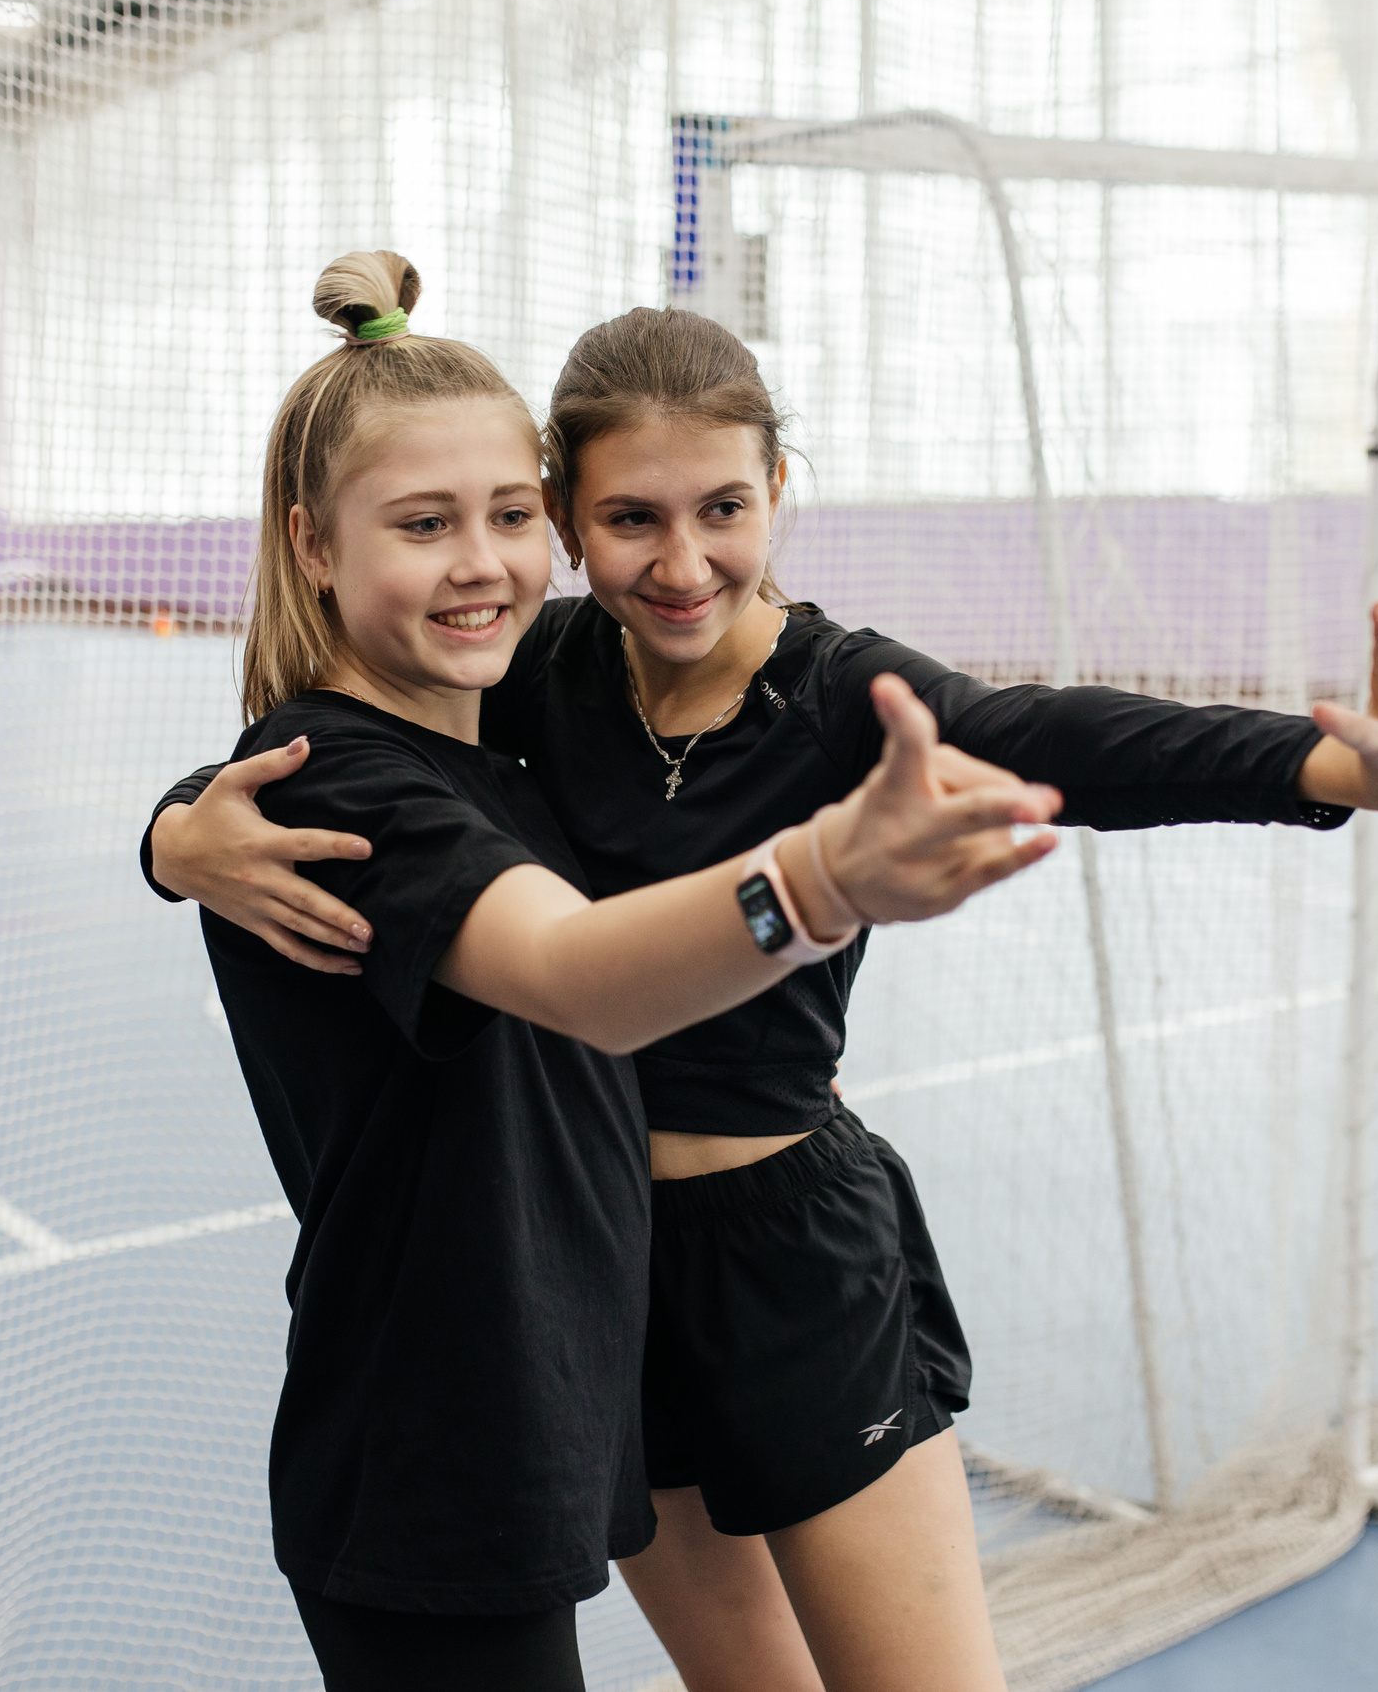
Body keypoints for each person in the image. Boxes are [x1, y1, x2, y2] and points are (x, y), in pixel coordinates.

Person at [147, 306, 1378, 1692]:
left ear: (775, 490)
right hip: (598, 1274)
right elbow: (355, 754)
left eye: (723, 509)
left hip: (786, 1251)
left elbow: (1056, 735)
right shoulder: (536, 671)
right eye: (630, 519)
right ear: (570, 520)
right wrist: (179, 829)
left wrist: (1328, 769)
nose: (682, 564)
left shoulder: (837, 690)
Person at [198, 252, 1061, 1692]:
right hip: (426, 1453)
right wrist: (820, 878)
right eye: (423, 522)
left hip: (535, 1397)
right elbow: (579, 974)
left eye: (508, 515)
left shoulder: (489, 749)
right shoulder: (338, 779)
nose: (482, 561)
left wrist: (169, 835)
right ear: (313, 543)